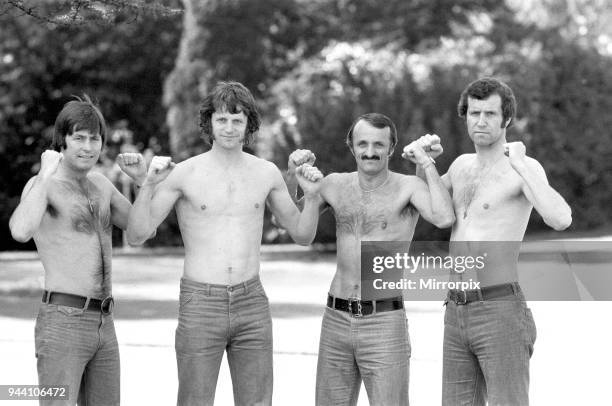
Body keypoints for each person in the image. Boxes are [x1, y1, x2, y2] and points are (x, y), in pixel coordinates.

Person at [121, 81, 323, 406]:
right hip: (201, 302)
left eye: (237, 120)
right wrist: (147, 185)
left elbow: (302, 234)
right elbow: (136, 235)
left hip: (252, 302)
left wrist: (311, 197)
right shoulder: (184, 173)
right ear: (209, 123)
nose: (229, 128)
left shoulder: (266, 173)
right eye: (222, 120)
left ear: (249, 125)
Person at [286, 113, 455, 405]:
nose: (370, 151)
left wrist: (425, 163)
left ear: (391, 149)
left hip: (384, 323)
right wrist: (293, 178)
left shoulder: (408, 187)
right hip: (336, 318)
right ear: (351, 146)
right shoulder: (334, 184)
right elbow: (293, 226)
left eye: (379, 144)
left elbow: (444, 217)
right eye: (362, 143)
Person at [437, 77, 572, 406]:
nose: (480, 121)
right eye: (473, 112)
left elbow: (560, 218)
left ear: (507, 119)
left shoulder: (522, 168)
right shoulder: (459, 167)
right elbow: (429, 210)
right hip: (455, 310)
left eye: (490, 114)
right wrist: (423, 164)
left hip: (499, 309)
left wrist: (523, 165)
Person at [9, 95, 146, 405]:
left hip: (104, 322)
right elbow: (19, 231)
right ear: (62, 141)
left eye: (94, 139)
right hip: (63, 320)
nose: (87, 146)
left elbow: (139, 233)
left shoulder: (102, 185)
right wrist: (44, 173)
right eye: (79, 138)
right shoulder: (44, 185)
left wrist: (142, 182)